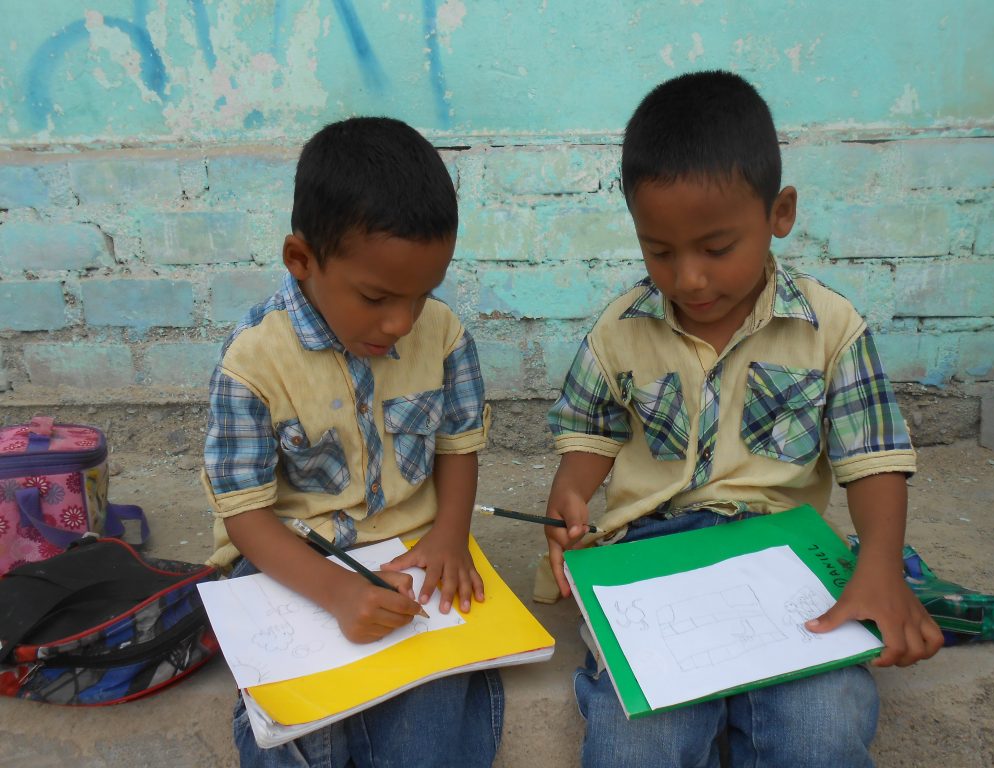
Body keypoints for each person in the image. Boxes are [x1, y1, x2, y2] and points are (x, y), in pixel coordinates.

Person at [543, 71, 944, 767]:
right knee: (638, 742)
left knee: (822, 726)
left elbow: (873, 456)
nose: (688, 278)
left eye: (716, 248)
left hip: (782, 561)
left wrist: (878, 564)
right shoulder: (620, 329)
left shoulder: (831, 328)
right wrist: (570, 491)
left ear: (779, 213)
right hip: (653, 559)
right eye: (659, 251)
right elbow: (589, 432)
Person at [202, 117, 502, 767]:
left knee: (433, 724)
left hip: (412, 556)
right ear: (302, 260)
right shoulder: (253, 362)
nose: (400, 323)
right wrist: (336, 592)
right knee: (306, 732)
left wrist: (449, 535)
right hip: (288, 561)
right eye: (376, 297)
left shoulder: (445, 336)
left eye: (423, 295)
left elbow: (456, 447)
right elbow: (245, 514)